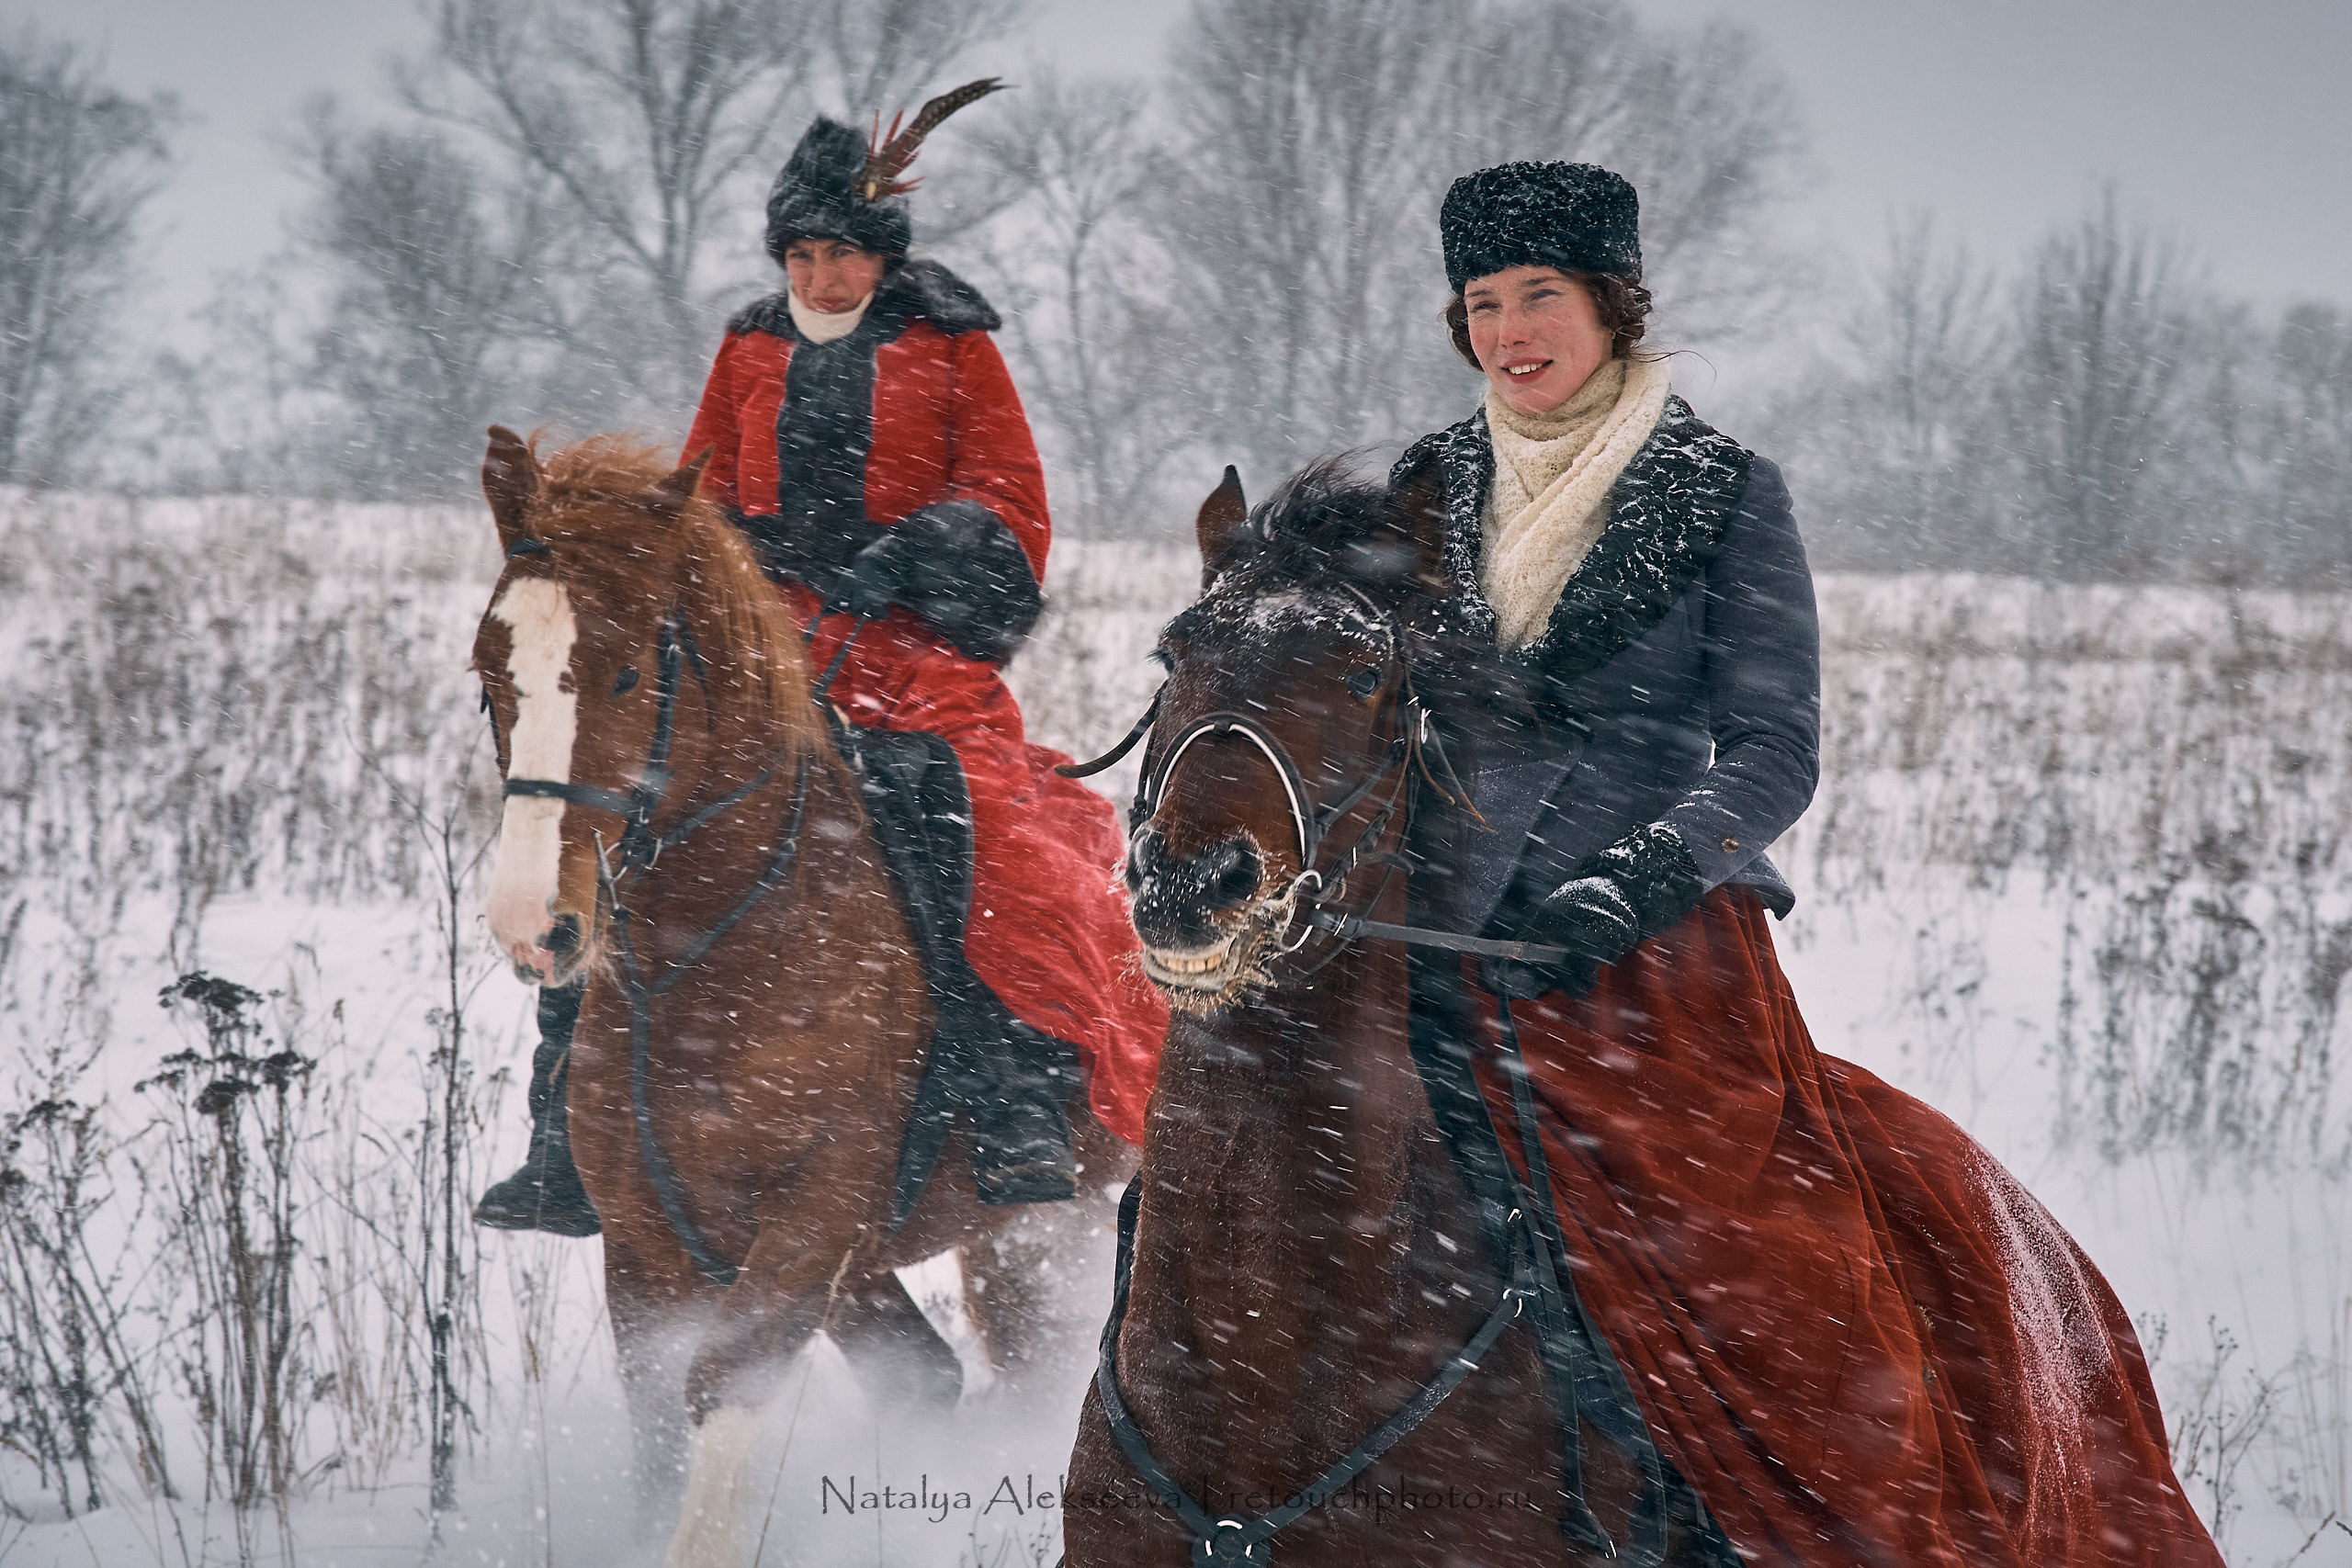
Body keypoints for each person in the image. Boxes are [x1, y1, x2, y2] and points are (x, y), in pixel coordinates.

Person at [1393, 161, 2220, 1564]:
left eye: (1540, 294)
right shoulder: (1421, 487)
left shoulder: (1721, 490)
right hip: (1431, 940)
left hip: (1644, 956)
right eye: (1482, 303)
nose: (1510, 331)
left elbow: (1776, 748)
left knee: (1752, 1279)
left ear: (1612, 304)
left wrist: (1639, 876)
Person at [476, 85, 1166, 1232]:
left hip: (915, 660)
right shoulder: (747, 343)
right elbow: (696, 494)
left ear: (882, 257)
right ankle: (562, 1127)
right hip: (771, 651)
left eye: (841, 254)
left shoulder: (952, 344)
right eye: (801, 254)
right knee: (624, 820)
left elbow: (1010, 497)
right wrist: (742, 559)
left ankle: (1012, 1099)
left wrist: (920, 550)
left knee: (985, 841)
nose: (820, 276)